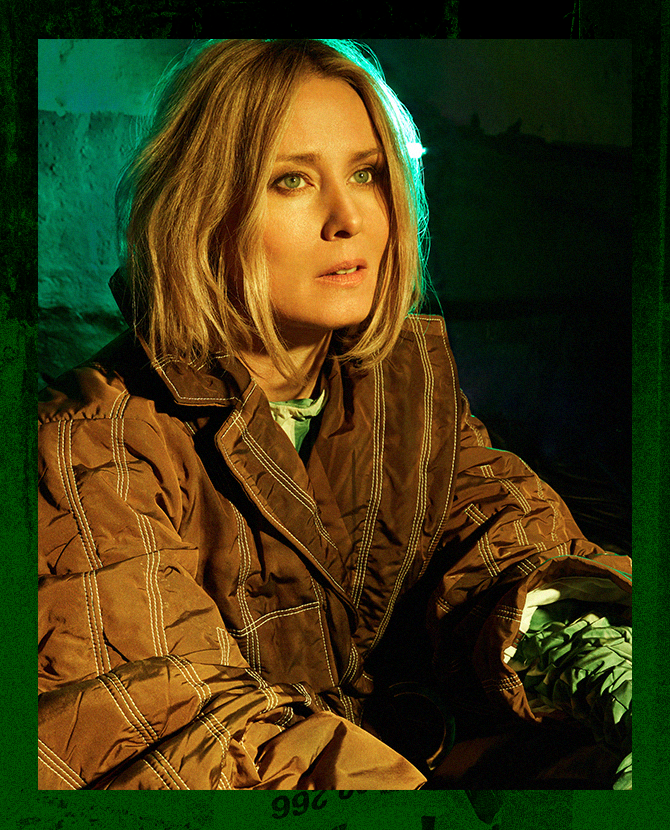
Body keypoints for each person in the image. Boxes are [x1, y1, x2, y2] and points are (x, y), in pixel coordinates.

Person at [38, 39, 631, 791]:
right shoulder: (90, 442)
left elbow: (503, 546)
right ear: (200, 210)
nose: (349, 217)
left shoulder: (404, 391)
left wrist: (605, 655)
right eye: (290, 181)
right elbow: (170, 727)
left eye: (367, 173)